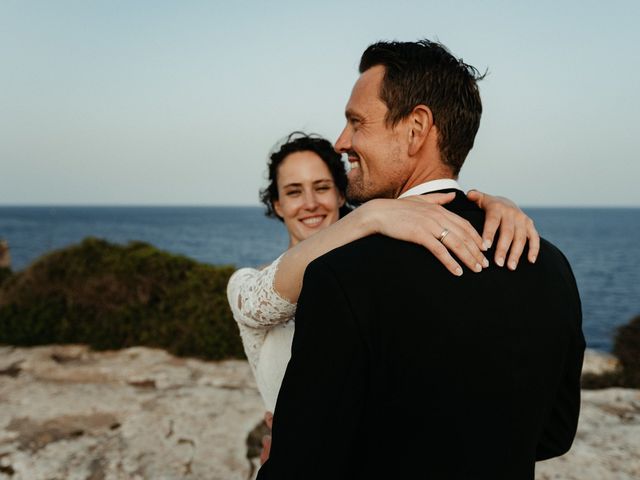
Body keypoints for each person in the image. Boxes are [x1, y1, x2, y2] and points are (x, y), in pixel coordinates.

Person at [257, 41, 585, 479]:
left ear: (416, 128)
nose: (342, 141)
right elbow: (556, 433)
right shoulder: (550, 264)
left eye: (356, 122)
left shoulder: (343, 274)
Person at [227, 132, 539, 462]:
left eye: (321, 187)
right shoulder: (247, 283)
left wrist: (494, 204)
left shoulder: (372, 268)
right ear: (278, 204)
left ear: (339, 193)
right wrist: (369, 215)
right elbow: (259, 304)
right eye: (293, 192)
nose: (310, 203)